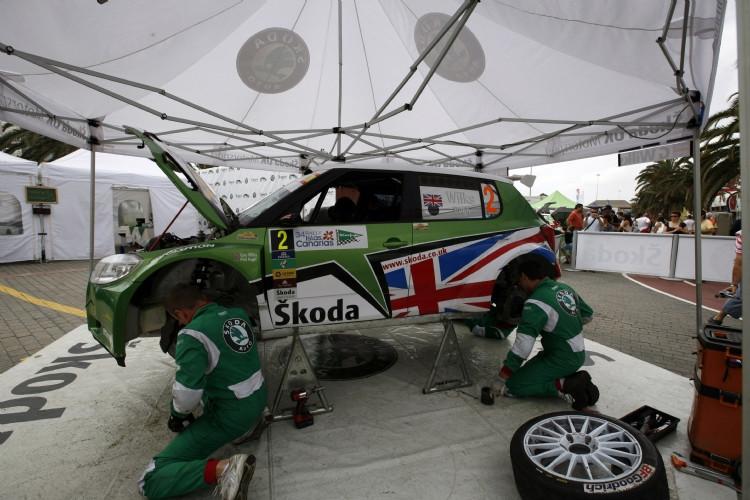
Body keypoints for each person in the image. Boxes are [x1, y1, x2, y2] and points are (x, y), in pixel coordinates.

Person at [138, 284, 268, 500]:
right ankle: (251, 425)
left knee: (150, 479)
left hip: (231, 415)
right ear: (203, 298)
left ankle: (226, 469)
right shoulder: (238, 314)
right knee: (219, 371)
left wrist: (177, 415)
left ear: (179, 313)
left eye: (178, 319)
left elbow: (188, 392)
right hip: (257, 398)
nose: (180, 323)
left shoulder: (192, 333)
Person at [489, 260, 599, 410]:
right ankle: (569, 380)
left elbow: (522, 348)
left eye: (520, 281)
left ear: (524, 276)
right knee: (525, 375)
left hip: (562, 358)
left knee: (512, 386)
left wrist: (500, 380)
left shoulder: (535, 303)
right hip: (572, 353)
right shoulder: (565, 288)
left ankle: (568, 383)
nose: (520, 285)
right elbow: (588, 315)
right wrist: (564, 325)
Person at [709, 229, 742, 325]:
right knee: (742, 294)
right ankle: (719, 317)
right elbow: (739, 263)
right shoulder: (743, 238)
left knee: (742, 294)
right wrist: (735, 285)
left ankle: (719, 317)